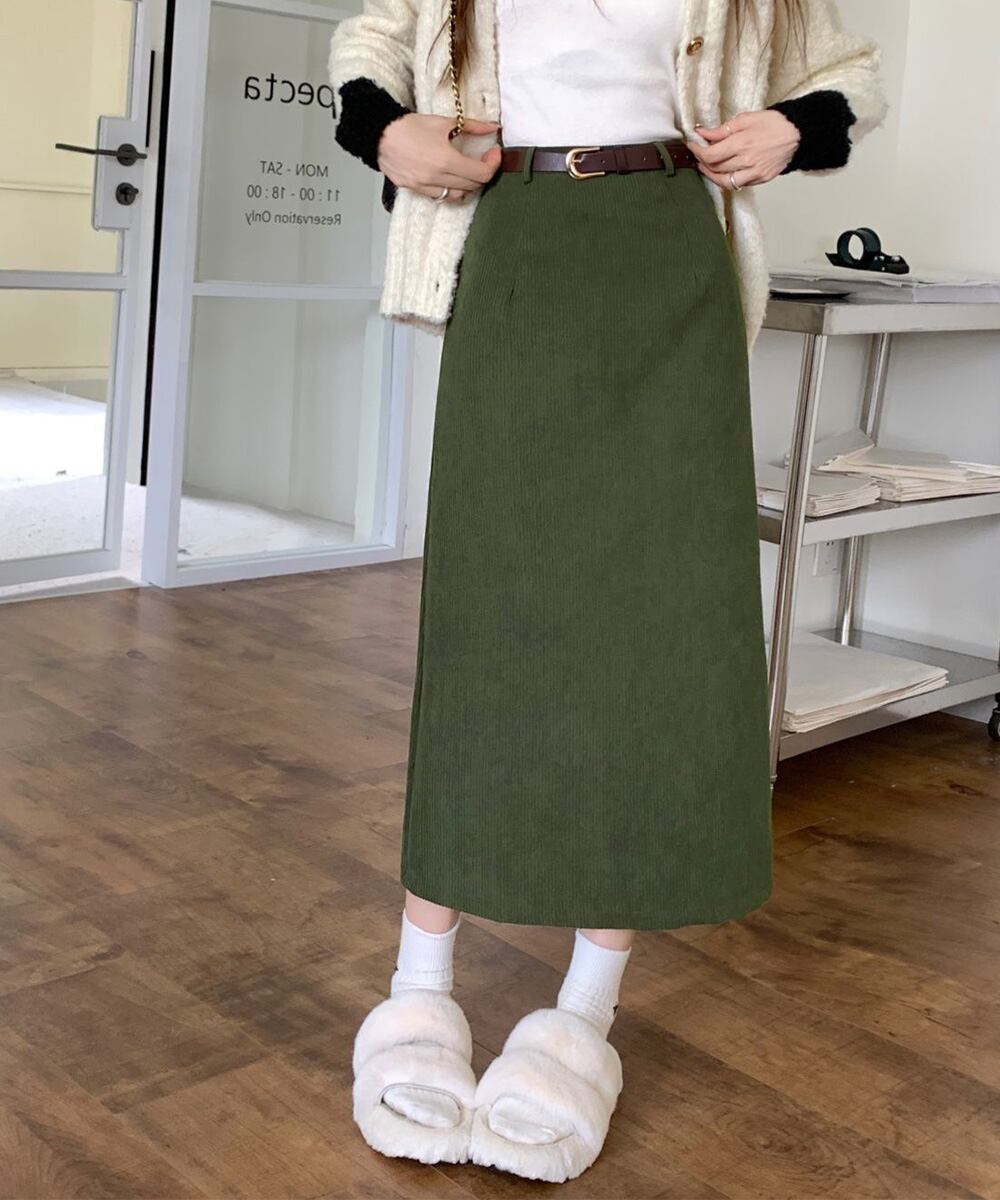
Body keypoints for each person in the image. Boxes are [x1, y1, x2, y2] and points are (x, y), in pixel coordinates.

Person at [329, 0, 887, 1183]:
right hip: (514, 233)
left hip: (670, 247)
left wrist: (794, 128)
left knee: (658, 617)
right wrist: (384, 131)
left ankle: (582, 1015)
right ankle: (418, 989)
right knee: (487, 613)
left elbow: (848, 72)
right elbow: (373, 38)